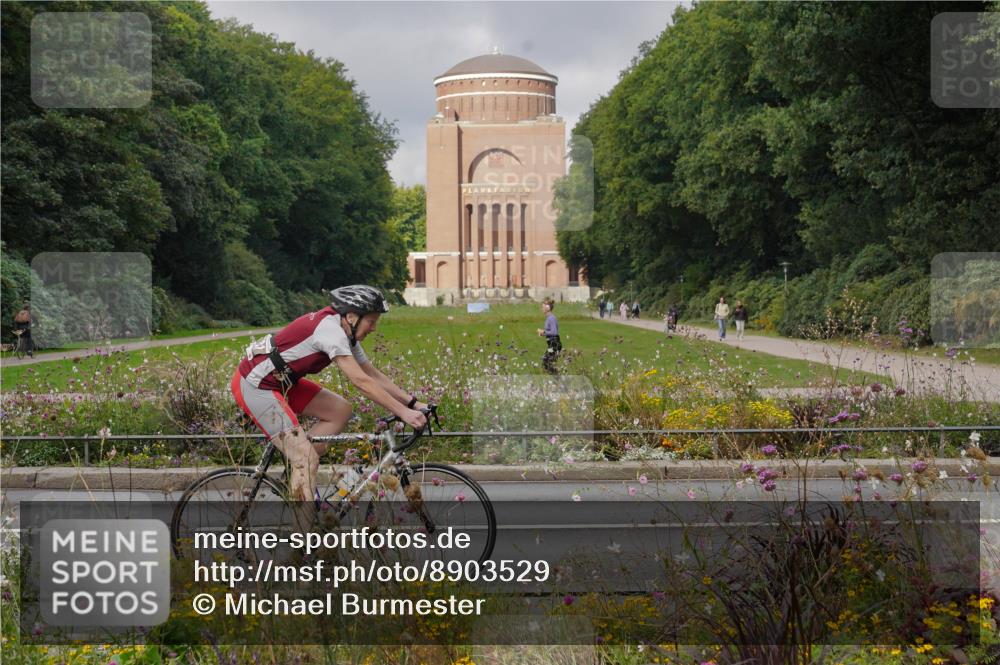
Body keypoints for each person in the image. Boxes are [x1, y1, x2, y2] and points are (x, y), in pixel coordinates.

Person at [231, 285, 428, 528]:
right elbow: (360, 381)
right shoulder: (330, 331)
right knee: (305, 458)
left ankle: (299, 477)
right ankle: (304, 549)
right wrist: (404, 413)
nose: (374, 327)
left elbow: (370, 372)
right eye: (372, 321)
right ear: (352, 317)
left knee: (340, 410)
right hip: (255, 385)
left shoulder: (347, 332)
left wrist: (412, 402)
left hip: (281, 382)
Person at [537, 299, 562, 374]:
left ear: (547, 308)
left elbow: (554, 332)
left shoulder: (551, 318)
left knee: (546, 362)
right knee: (546, 361)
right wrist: (543, 334)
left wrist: (543, 331)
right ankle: (557, 378)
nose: (542, 309)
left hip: (554, 344)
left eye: (543, 307)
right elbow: (550, 332)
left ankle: (558, 378)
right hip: (551, 345)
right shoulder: (549, 318)